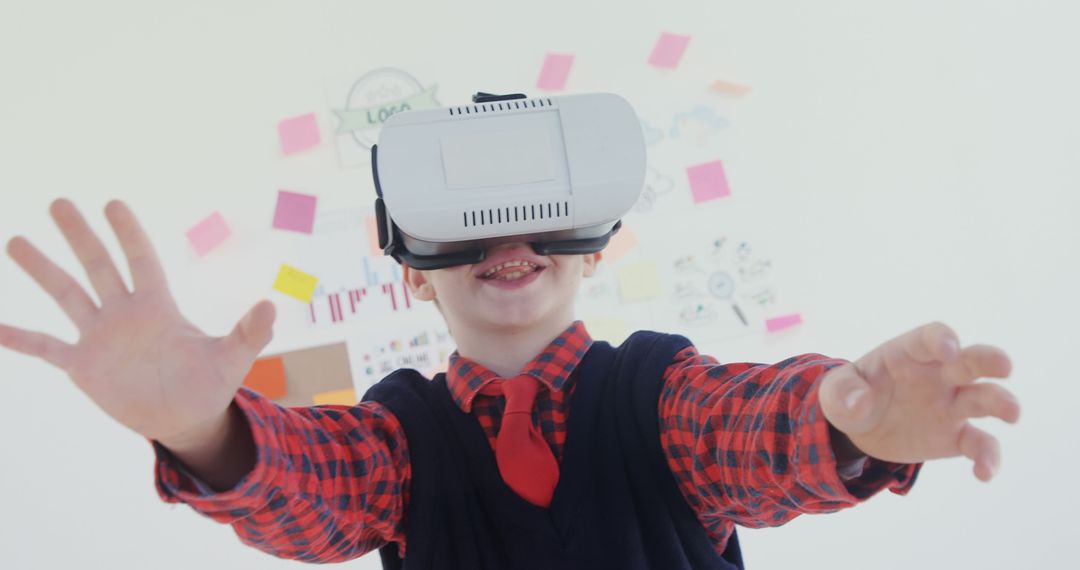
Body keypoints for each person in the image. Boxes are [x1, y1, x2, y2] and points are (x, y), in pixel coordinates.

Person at [0, 198, 1019, 569]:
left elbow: (741, 431)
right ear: (412, 269)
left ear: (596, 245)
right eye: (467, 218)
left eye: (540, 211)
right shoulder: (397, 441)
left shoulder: (659, 394)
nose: (509, 241)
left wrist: (845, 429)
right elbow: (317, 493)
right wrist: (206, 432)